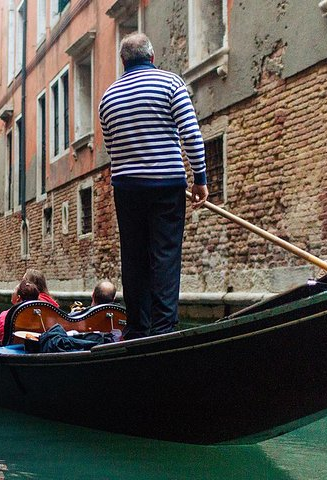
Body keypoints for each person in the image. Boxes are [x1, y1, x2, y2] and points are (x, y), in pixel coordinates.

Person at [99, 32, 208, 339]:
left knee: (134, 257)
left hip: (127, 189)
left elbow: (112, 148)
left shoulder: (108, 98)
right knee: (165, 255)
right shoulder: (170, 84)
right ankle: (163, 330)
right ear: (152, 57)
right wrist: (200, 179)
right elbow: (191, 134)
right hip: (166, 185)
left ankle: (137, 329)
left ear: (123, 62)